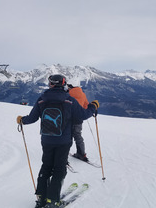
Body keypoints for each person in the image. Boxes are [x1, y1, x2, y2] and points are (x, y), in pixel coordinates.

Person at [16, 74, 99, 208]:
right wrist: (93, 106)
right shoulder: (69, 100)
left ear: (50, 84)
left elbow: (32, 118)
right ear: (63, 84)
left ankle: (41, 198)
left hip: (46, 139)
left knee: (46, 166)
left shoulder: (42, 99)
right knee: (59, 169)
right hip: (63, 140)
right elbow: (83, 115)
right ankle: (52, 201)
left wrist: (22, 120)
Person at [66, 84, 90, 162]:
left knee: (67, 136)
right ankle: (81, 154)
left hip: (69, 118)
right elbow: (86, 106)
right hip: (79, 119)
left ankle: (63, 154)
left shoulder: (68, 94)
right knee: (78, 135)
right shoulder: (83, 94)